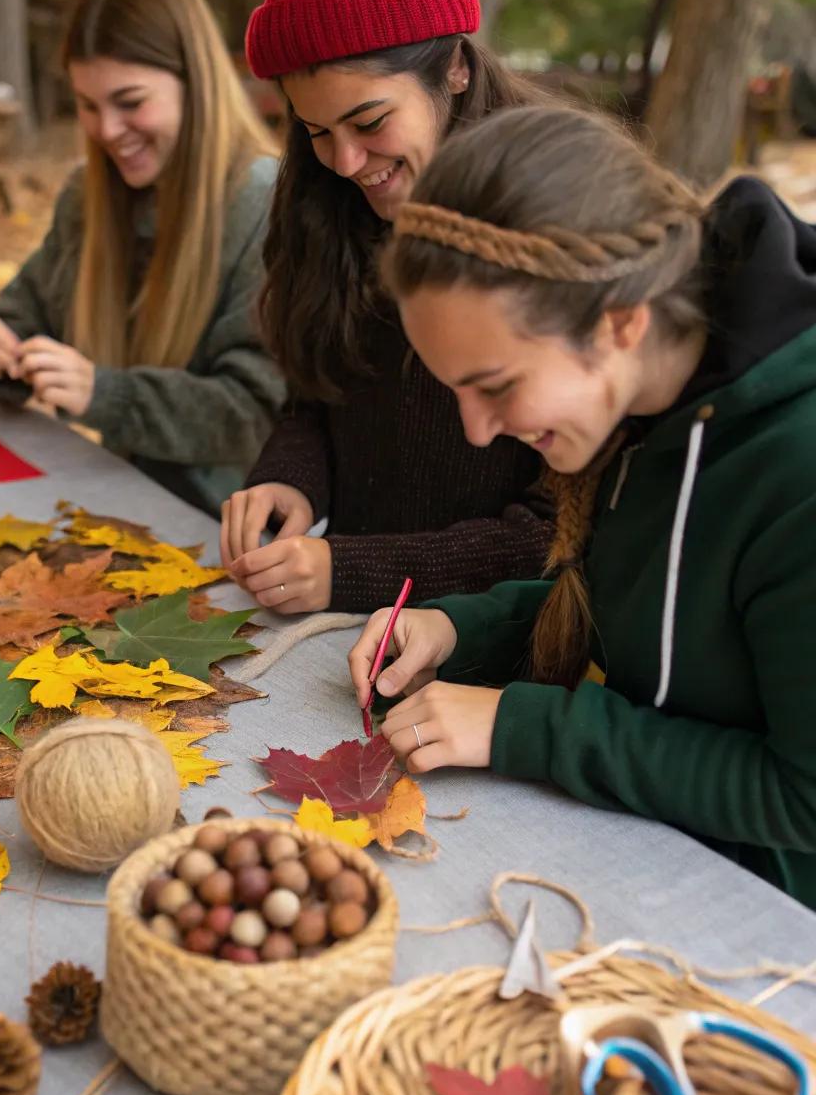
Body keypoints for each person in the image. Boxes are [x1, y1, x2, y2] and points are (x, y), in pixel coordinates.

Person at [348, 104, 816, 905]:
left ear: (622, 323)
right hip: (636, 852)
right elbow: (651, 614)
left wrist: (523, 728)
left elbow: (801, 799)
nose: (477, 428)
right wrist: (466, 627)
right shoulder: (646, 406)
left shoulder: (795, 470)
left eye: (496, 386)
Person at [219, 0, 553, 614]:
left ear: (455, 69)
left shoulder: (550, 226)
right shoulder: (331, 207)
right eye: (316, 131)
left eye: (370, 122)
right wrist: (290, 480)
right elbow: (318, 390)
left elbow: (559, 533)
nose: (344, 161)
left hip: (504, 653)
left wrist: (352, 569)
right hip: (351, 633)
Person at [0, 0, 282, 516]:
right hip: (114, 504)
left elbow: (254, 414)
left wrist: (104, 395)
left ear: (195, 82)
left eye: (130, 103)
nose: (107, 131)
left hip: (231, 536)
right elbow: (26, 314)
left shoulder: (264, 203)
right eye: (88, 106)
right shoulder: (89, 197)